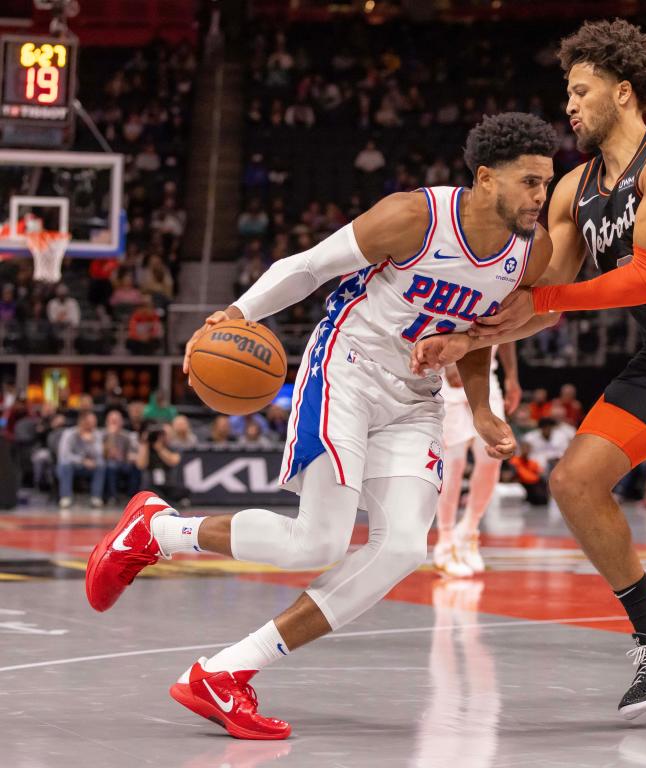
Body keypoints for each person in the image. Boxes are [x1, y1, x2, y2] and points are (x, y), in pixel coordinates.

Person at [85, 113, 557, 739]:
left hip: (416, 400)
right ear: (486, 178)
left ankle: (225, 673)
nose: (540, 196)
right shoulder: (415, 217)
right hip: (348, 370)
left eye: (546, 183)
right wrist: (235, 313)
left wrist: (478, 408)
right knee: (319, 541)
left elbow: (478, 335)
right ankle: (160, 531)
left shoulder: (533, 250)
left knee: (403, 547)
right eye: (530, 182)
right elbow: (308, 267)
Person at [412, 20, 646, 721]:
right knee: (574, 480)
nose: (570, 105)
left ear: (624, 93)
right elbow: (543, 300)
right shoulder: (572, 191)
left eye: (580, 90)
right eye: (568, 92)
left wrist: (537, 301)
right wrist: (470, 335)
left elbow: (644, 279)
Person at [432, 343, 521, 577]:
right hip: (445, 377)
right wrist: (450, 361)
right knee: (454, 461)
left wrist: (512, 376)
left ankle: (469, 530)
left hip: (486, 378)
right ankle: (445, 541)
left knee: (494, 455)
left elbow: (510, 333)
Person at [57, 411, 106, 508]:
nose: (92, 426)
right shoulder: (69, 434)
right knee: (65, 464)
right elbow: (64, 455)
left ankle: (96, 497)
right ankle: (65, 497)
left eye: (94, 423)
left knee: (101, 464)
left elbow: (99, 455)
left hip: (89, 466)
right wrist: (82, 460)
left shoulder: (97, 434)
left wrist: (90, 443)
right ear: (82, 422)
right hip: (72, 465)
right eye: (89, 423)